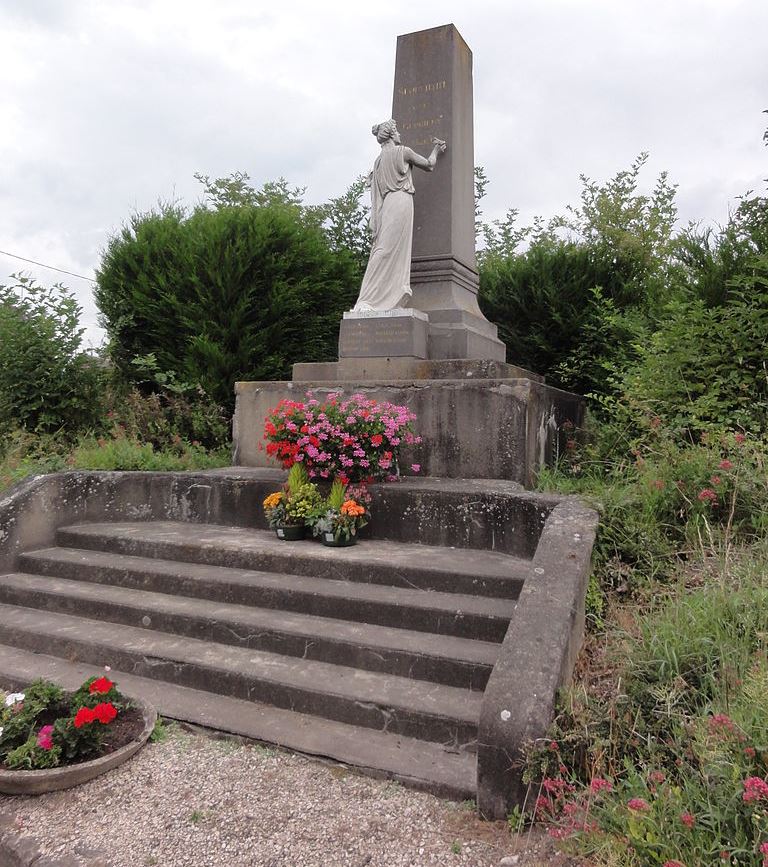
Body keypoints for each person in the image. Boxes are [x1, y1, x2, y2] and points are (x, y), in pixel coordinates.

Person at [352, 119, 447, 312]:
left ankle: (373, 297)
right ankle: (369, 299)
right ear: (391, 134)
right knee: (388, 250)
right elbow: (429, 165)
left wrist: (374, 218)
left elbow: (375, 192)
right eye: (397, 131)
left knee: (383, 249)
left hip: (386, 204)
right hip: (401, 200)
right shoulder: (403, 151)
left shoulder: (377, 162)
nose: (400, 134)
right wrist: (437, 149)